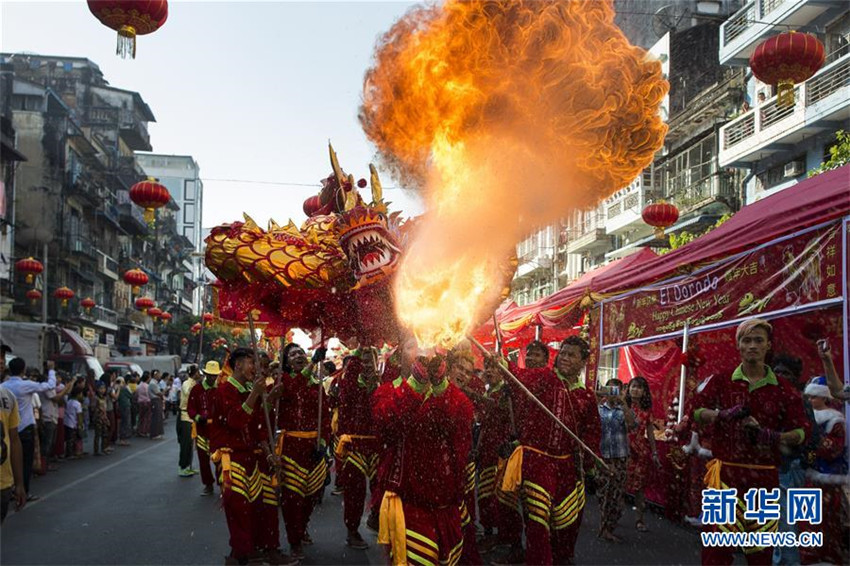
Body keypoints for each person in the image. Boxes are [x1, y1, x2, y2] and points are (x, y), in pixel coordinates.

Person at [693, 318, 809, 566]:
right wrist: (720, 415)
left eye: (759, 340)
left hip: (765, 483)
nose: (753, 346)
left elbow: (802, 431)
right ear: (738, 346)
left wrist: (772, 436)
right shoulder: (722, 381)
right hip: (725, 480)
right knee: (716, 552)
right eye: (747, 340)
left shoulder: (784, 389)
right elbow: (695, 411)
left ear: (768, 346)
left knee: (760, 555)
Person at [499, 337, 601, 565]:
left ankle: (561, 559)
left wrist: (590, 466)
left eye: (571, 355)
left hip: (566, 466)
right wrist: (504, 365)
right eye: (563, 353)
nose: (564, 358)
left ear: (583, 361)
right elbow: (519, 376)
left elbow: (592, 434)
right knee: (537, 521)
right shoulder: (546, 378)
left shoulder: (586, 396)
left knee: (566, 523)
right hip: (537, 461)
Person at [372, 349, 474, 566]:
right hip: (412, 502)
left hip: (447, 503)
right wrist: (416, 386)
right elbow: (386, 423)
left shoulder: (455, 396)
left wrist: (439, 386)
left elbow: (459, 423)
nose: (425, 353)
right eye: (414, 348)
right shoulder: (388, 391)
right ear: (400, 358)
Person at [212, 348, 293, 565]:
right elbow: (236, 421)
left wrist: (269, 455)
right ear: (237, 364)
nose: (256, 368)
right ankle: (242, 555)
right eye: (251, 363)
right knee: (238, 509)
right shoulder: (224, 390)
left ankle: (257, 550)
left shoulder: (250, 388)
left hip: (253, 458)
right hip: (233, 459)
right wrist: (256, 394)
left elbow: (259, 427)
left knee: (261, 506)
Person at [268, 343, 332, 560]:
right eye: (293, 354)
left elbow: (325, 418)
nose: (299, 356)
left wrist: (322, 444)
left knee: (311, 496)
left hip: (313, 449)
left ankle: (302, 527)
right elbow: (295, 387)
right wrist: (313, 362)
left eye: (301, 353)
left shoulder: (317, 386)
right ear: (286, 362)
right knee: (292, 499)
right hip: (291, 449)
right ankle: (294, 540)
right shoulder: (282, 382)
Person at [798, 376, 848, 565]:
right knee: (805, 517)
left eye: (814, 397)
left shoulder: (835, 420)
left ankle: (827, 555)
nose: (810, 401)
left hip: (827, 476)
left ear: (824, 398)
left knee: (827, 519)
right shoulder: (805, 418)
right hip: (808, 474)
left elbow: (834, 448)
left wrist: (814, 443)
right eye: (808, 397)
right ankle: (807, 555)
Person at [335, 347, 381, 549]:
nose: (367, 365)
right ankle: (352, 531)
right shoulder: (350, 386)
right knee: (355, 491)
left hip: (378, 444)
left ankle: (376, 517)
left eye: (370, 361)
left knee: (382, 487)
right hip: (355, 444)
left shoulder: (382, 385)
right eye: (363, 362)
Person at [476, 357, 522, 559]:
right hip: (486, 450)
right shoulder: (487, 391)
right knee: (484, 497)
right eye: (488, 367)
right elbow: (484, 424)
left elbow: (502, 411)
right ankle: (490, 534)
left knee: (505, 500)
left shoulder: (508, 392)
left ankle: (513, 543)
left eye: (495, 367)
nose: (490, 371)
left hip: (503, 452)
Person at [2, 358, 57, 500]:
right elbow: (50, 385)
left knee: (8, 459)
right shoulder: (26, 385)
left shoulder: (4, 386)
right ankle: (23, 490)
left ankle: (11, 489)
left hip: (8, 428)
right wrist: (51, 369)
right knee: (25, 462)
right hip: (25, 428)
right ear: (23, 370)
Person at [598, 378, 634, 542]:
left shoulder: (624, 410)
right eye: (610, 389)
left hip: (619, 457)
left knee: (617, 494)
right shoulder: (599, 409)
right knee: (603, 493)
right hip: (602, 457)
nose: (613, 393)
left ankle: (609, 525)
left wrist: (623, 403)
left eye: (616, 390)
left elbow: (632, 425)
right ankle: (605, 526)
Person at [624, 376, 660, 533]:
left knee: (639, 488)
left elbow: (650, 433)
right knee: (620, 483)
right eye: (633, 386)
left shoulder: (647, 411)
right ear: (628, 389)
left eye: (639, 387)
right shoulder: (623, 406)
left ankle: (639, 519)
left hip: (640, 453)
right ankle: (613, 515)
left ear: (644, 391)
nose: (635, 390)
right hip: (623, 450)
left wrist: (654, 452)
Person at [187, 363, 218, 495]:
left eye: (214, 376)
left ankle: (223, 484)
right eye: (210, 375)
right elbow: (191, 409)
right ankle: (208, 484)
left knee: (220, 460)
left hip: (217, 431)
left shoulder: (220, 389)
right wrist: (199, 418)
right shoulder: (196, 390)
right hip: (202, 431)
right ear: (205, 375)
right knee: (203, 461)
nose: (212, 378)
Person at [38, 372, 76, 471]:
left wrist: (68, 386)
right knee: (47, 443)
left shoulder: (51, 388)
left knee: (51, 442)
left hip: (52, 416)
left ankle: (46, 463)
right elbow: (57, 398)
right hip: (47, 417)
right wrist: (66, 387)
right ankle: (43, 465)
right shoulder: (45, 388)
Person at [0, 384, 26, 523]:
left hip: (3, 483)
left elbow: (14, 440)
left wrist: (19, 483)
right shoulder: (7, 396)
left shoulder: (8, 396)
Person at [177, 368, 198, 477]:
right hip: (185, 417)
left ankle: (189, 466)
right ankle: (182, 466)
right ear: (195, 374)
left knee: (190, 444)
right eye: (198, 373)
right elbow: (188, 392)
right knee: (185, 444)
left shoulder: (195, 383)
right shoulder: (186, 383)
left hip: (192, 417)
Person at [93, 381, 112, 456]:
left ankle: (104, 448)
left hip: (104, 417)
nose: (102, 390)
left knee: (105, 433)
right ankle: (96, 450)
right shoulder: (96, 398)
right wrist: (99, 410)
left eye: (104, 388)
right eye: (101, 388)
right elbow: (93, 408)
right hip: (98, 418)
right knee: (98, 434)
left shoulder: (104, 397)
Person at [63, 391, 83, 459]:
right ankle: (72, 453)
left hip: (67, 422)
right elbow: (79, 415)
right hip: (73, 423)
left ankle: (68, 452)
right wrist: (80, 424)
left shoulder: (68, 402)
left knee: (68, 438)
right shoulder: (77, 404)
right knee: (72, 439)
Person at [149, 373, 165, 440]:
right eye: (158, 374)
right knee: (156, 418)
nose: (160, 375)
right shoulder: (152, 383)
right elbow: (158, 393)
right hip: (155, 400)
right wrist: (164, 391)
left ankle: (158, 433)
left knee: (159, 417)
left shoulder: (155, 383)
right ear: (155, 375)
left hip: (157, 400)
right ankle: (154, 434)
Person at [136, 373, 151, 437]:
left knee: (141, 417)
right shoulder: (147, 386)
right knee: (146, 417)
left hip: (140, 402)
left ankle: (139, 430)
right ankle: (144, 431)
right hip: (146, 402)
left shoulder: (139, 385)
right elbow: (148, 395)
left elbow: (136, 394)